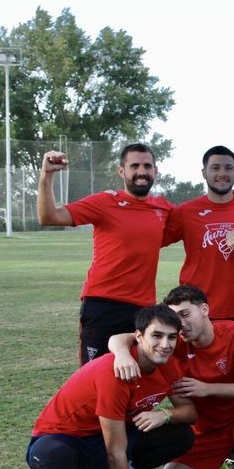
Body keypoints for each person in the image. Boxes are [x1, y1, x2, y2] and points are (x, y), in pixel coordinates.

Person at [26, 305, 196, 469]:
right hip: (65, 438)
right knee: (52, 459)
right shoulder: (115, 373)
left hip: (112, 433)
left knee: (181, 434)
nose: (165, 345)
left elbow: (189, 412)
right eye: (156, 335)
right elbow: (115, 452)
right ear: (138, 336)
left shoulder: (167, 364)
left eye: (171, 337)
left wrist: (164, 414)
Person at [110, 286, 234, 469]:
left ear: (204, 309)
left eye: (185, 314)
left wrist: (208, 389)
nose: (181, 324)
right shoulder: (172, 343)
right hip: (203, 434)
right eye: (175, 319)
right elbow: (121, 338)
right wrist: (122, 354)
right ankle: (216, 465)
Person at [37, 145, 174, 365]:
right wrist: (47, 174)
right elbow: (49, 216)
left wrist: (233, 197)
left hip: (143, 310)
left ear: (155, 171)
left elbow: (197, 217)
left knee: (135, 378)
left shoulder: (164, 209)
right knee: (93, 376)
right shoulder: (104, 202)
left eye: (147, 166)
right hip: (103, 305)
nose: (142, 171)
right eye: (134, 166)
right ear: (122, 171)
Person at [162, 146, 234, 322]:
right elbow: (153, 238)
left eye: (228, 168)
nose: (222, 173)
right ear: (203, 173)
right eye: (215, 168)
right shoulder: (186, 211)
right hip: (191, 308)